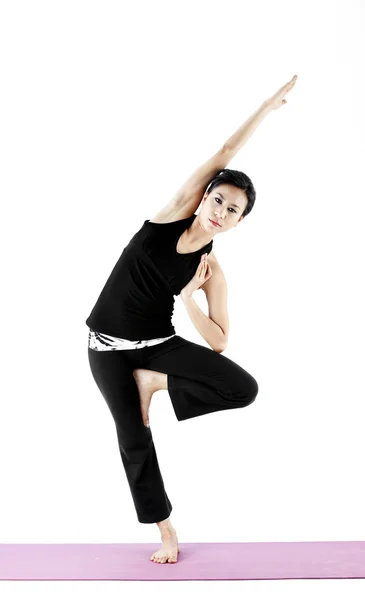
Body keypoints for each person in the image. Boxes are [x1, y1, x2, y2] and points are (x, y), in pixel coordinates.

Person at [86, 75, 298, 564]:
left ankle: (154, 381)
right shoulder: (170, 216)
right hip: (107, 349)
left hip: (157, 345)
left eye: (233, 210)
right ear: (203, 198)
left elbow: (220, 342)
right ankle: (165, 531)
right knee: (134, 439)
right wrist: (265, 108)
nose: (221, 211)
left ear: (240, 222)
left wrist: (188, 299)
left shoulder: (212, 272)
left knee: (243, 388)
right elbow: (225, 150)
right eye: (218, 200)